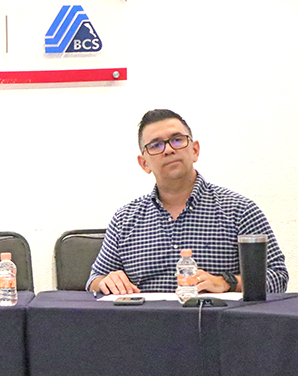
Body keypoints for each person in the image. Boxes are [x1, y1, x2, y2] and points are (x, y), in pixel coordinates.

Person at [88, 109, 288, 295]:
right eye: (156, 145)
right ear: (144, 163)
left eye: (177, 140)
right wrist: (107, 281)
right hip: (145, 320)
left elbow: (278, 278)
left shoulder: (240, 211)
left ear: (195, 150)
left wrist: (227, 282)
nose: (168, 150)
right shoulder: (124, 219)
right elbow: (94, 280)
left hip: (213, 320)